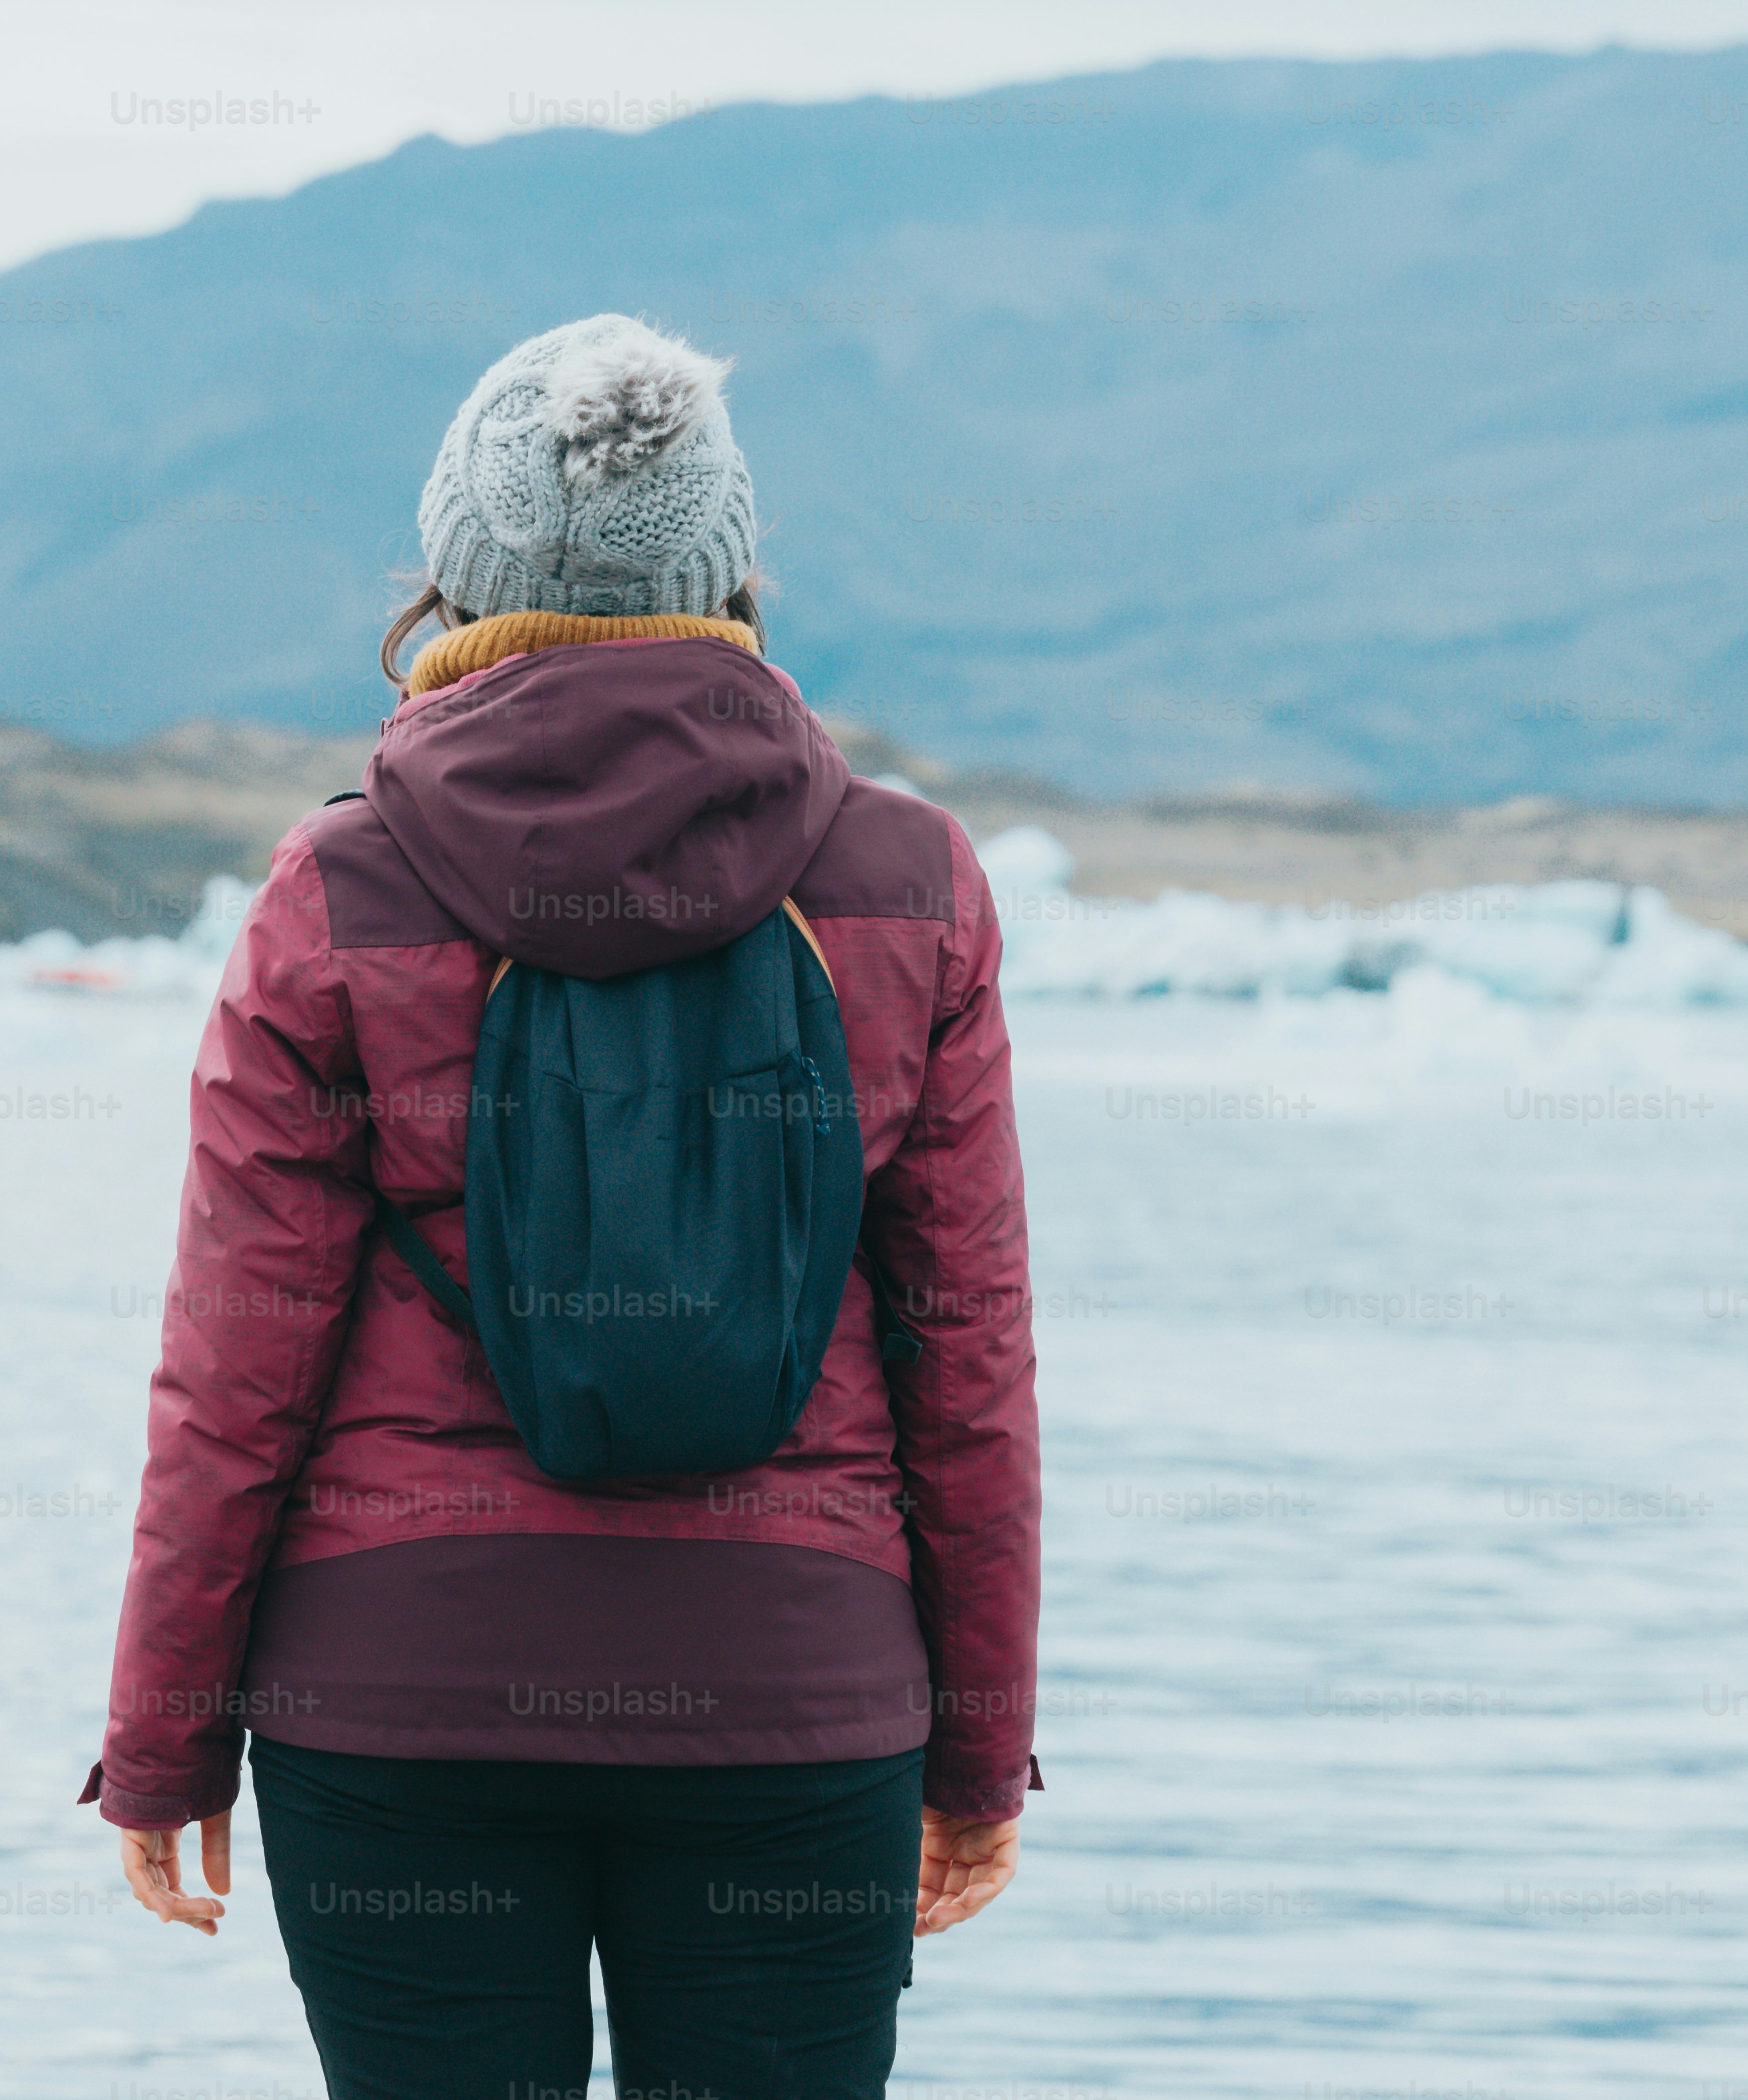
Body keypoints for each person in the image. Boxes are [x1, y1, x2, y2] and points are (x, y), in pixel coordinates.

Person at [85, 314, 1042, 2099]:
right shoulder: (908, 883)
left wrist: (160, 1743)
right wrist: (980, 1750)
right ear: (729, 569)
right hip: (791, 1692)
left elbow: (235, 1367)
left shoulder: (340, 884)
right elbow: (965, 1355)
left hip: (398, 1701)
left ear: (451, 569)